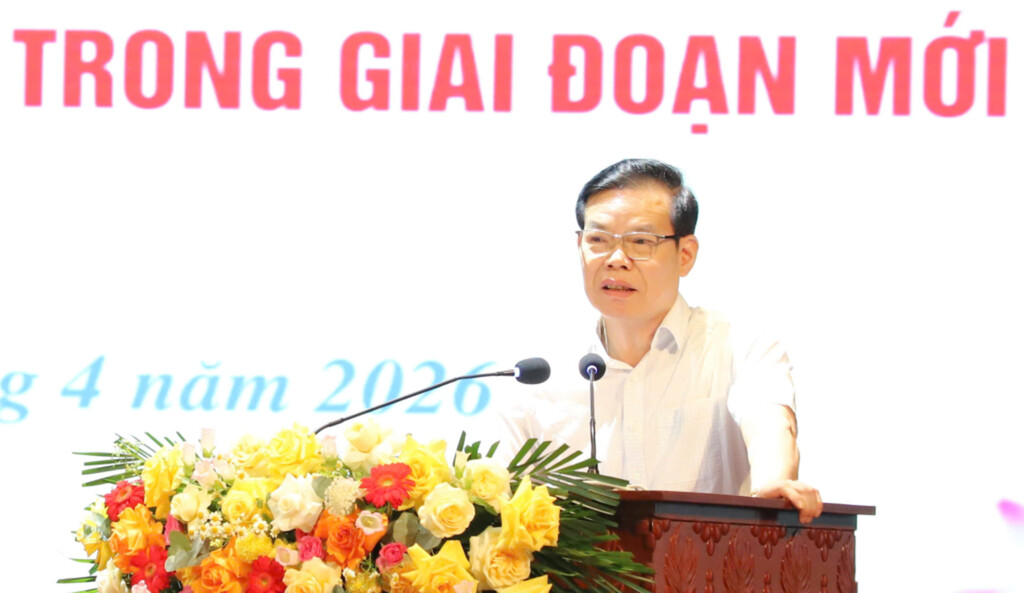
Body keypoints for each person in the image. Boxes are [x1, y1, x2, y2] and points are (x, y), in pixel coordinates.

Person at [501, 158, 823, 523]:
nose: (616, 260)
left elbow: (769, 421)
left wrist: (774, 482)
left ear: (685, 255)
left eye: (641, 242)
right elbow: (493, 497)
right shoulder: (538, 375)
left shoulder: (739, 346)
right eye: (598, 240)